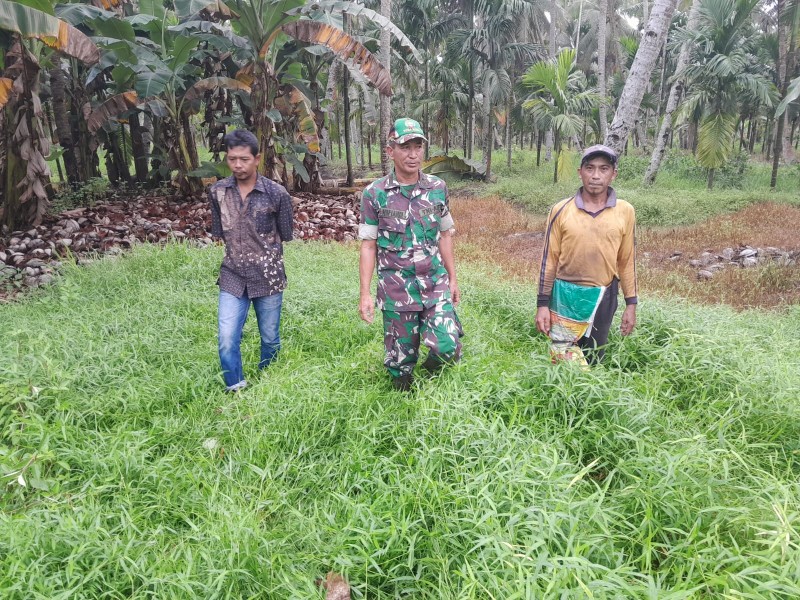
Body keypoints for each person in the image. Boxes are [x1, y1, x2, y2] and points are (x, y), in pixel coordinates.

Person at [358, 118, 463, 391]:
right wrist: (365, 293)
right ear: (390, 150)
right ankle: (403, 402)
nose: (413, 154)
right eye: (405, 147)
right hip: (397, 288)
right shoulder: (374, 194)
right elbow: (368, 245)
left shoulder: (437, 188)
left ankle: (431, 375)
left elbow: (445, 234)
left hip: (434, 282)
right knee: (400, 366)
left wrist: (452, 278)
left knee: (447, 345)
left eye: (418, 146)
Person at [535, 144, 637, 365]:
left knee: (594, 358)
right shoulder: (561, 210)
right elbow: (549, 260)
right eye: (590, 168)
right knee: (562, 356)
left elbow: (626, 260)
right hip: (564, 296)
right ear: (580, 172)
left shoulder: (625, 211)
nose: (596, 176)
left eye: (604, 169)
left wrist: (631, 304)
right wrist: (542, 304)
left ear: (613, 174)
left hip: (603, 295)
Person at [209, 130, 294, 391]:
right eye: (232, 159)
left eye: (244, 159)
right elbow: (218, 232)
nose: (237, 165)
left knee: (269, 338)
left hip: (268, 275)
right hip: (232, 275)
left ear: (257, 158)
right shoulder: (217, 192)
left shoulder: (276, 194)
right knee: (226, 337)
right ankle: (235, 387)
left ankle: (268, 384)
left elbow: (286, 233)